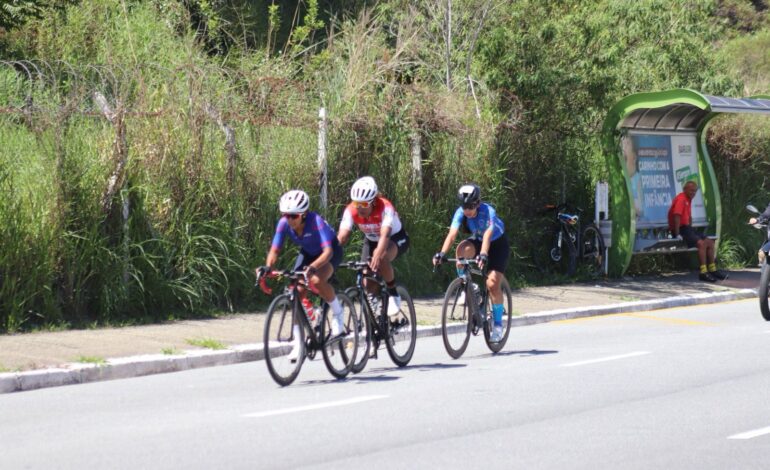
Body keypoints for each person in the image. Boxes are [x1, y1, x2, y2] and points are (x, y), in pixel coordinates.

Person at [256, 190, 345, 361]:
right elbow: (275, 250)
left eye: (293, 216)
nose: (289, 219)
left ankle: (338, 312)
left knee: (317, 280)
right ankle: (299, 343)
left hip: (330, 252)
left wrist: (313, 267)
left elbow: (327, 252)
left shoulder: (316, 222)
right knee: (295, 292)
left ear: (303, 215)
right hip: (309, 252)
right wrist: (268, 268)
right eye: (285, 215)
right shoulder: (284, 224)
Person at [432, 184, 510, 342]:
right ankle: (467, 286)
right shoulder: (461, 212)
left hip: (497, 244)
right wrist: (441, 253)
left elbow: (488, 235)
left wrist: (483, 254)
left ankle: (497, 326)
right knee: (461, 251)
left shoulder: (488, 211)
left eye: (470, 206)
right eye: (464, 206)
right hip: (479, 239)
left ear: (478, 203)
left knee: (492, 283)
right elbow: (452, 234)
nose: (466, 210)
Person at [337, 176, 410, 318]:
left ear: (374, 202)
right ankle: (377, 314)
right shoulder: (351, 210)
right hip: (371, 240)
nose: (359, 208)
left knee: (381, 257)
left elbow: (385, 234)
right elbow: (342, 236)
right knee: (367, 281)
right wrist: (329, 251)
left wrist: (377, 253)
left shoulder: (385, 207)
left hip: (395, 238)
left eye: (364, 204)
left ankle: (393, 293)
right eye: (356, 203)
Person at [668, 181, 727, 282]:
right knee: (701, 244)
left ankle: (712, 269)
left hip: (687, 228)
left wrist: (691, 229)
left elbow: (688, 217)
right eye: (691, 190)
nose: (693, 193)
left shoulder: (688, 199)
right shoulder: (681, 199)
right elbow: (676, 216)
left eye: (695, 191)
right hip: (680, 230)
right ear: (685, 189)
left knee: (710, 242)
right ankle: (703, 272)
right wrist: (677, 234)